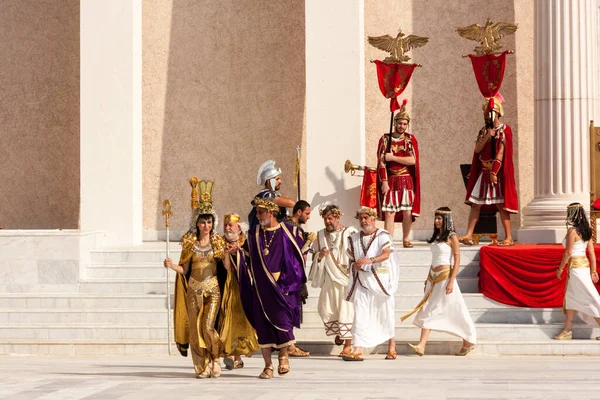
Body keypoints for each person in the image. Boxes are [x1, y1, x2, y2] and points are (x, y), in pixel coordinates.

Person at [238, 197, 307, 379]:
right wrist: (234, 253)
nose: (258, 216)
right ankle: (268, 365)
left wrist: (288, 283)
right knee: (263, 328)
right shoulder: (254, 234)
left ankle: (283, 357)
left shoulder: (289, 231)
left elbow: (299, 257)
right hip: (261, 289)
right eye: (257, 212)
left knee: (283, 325)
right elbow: (245, 257)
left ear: (272, 212)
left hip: (283, 286)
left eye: (261, 212)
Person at [164, 183, 227, 379]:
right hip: (193, 290)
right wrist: (172, 265)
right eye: (202, 222)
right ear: (196, 223)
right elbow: (185, 269)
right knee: (195, 330)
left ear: (213, 222)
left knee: (208, 326)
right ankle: (201, 365)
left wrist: (230, 255)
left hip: (213, 290)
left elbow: (226, 269)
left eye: (209, 222)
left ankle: (215, 358)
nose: (206, 226)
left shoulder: (218, 242)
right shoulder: (190, 243)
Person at [401, 207, 477, 356]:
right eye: (436, 218)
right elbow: (434, 259)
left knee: (452, 309)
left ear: (446, 219)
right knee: (431, 308)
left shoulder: (452, 236)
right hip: (433, 277)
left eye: (439, 218)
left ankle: (468, 339)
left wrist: (451, 281)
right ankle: (422, 345)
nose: (436, 221)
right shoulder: (437, 236)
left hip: (445, 277)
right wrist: (427, 278)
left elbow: (457, 259)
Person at [342, 207, 399, 361]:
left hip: (380, 281)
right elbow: (351, 259)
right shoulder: (354, 238)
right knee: (360, 313)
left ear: (373, 219)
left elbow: (387, 254)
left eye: (366, 217)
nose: (363, 221)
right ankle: (358, 348)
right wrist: (355, 265)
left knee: (385, 312)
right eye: (360, 218)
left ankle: (392, 347)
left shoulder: (382, 235)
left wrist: (370, 260)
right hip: (361, 281)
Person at [461, 95, 518, 246]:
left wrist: (494, 172)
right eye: (485, 113)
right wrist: (487, 136)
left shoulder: (505, 130)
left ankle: (508, 236)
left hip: (496, 173)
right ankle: (468, 234)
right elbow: (478, 149)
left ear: (497, 112)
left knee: (501, 205)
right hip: (483, 172)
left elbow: (501, 152)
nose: (486, 115)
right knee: (475, 204)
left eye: (489, 112)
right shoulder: (484, 131)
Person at [309, 205, 357, 357]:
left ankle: (348, 346)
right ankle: (340, 332)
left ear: (337, 217)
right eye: (325, 219)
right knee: (328, 309)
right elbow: (314, 256)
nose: (327, 221)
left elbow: (357, 253)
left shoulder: (350, 232)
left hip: (345, 279)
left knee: (346, 311)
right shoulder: (320, 235)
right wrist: (321, 255)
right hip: (329, 280)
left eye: (330, 218)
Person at [376, 100, 421, 248]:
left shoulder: (409, 140)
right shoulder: (385, 139)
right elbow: (381, 162)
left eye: (404, 124)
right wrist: (384, 181)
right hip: (391, 179)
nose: (402, 126)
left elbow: (413, 160)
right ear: (395, 123)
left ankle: (406, 239)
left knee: (407, 211)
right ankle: (387, 241)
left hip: (405, 179)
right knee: (389, 212)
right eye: (399, 123)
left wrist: (393, 157)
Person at [554, 203, 600, 340]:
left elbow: (568, 252)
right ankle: (567, 330)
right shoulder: (587, 230)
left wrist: (560, 268)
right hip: (583, 267)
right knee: (571, 297)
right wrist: (593, 270)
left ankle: (567, 330)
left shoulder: (572, 231)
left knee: (590, 297)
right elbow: (591, 252)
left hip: (576, 268)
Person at [220, 213, 259, 370]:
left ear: (239, 228)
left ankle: (237, 356)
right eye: (226, 224)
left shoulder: (247, 243)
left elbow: (253, 262)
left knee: (241, 320)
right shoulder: (219, 243)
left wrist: (239, 252)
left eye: (231, 225)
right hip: (226, 286)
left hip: (244, 286)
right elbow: (226, 267)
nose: (227, 227)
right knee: (226, 317)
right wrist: (227, 253)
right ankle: (229, 353)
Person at [285, 200, 314, 357]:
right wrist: (308, 242)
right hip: (290, 276)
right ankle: (289, 345)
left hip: (295, 275)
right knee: (290, 309)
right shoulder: (290, 228)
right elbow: (296, 253)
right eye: (307, 213)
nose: (308, 217)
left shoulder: (294, 228)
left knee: (292, 308)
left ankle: (290, 343)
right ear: (299, 212)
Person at [248, 160, 295, 230]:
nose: (280, 181)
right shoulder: (267, 196)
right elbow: (291, 203)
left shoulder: (270, 194)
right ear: (270, 181)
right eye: (277, 179)